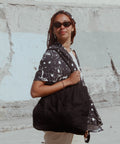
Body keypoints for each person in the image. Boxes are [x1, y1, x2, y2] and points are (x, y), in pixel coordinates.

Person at [31, 10, 103, 144]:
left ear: (73, 27)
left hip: (73, 123)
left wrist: (84, 122)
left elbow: (79, 89)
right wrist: (67, 81)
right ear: (53, 30)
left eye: (66, 23)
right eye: (57, 25)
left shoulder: (72, 54)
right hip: (60, 127)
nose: (62, 27)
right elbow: (35, 91)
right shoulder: (52, 55)